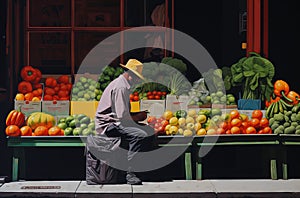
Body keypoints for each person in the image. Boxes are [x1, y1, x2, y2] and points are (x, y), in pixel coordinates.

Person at [95, 59, 155, 185]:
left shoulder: (123, 85)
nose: (138, 81)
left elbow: (123, 114)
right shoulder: (121, 87)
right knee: (140, 135)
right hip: (109, 126)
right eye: (137, 78)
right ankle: (130, 173)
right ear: (130, 75)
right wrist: (138, 118)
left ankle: (143, 168)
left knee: (149, 131)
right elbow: (121, 117)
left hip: (116, 122)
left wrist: (138, 117)